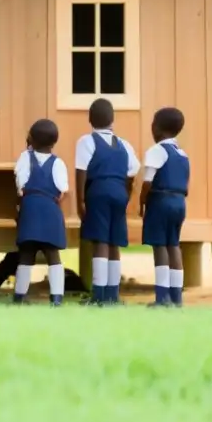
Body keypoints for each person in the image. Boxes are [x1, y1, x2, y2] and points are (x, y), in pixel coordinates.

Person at [75, 98, 140, 305]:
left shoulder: (87, 141)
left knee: (100, 241)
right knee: (114, 242)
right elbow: (133, 172)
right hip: (119, 192)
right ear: (113, 120)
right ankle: (113, 295)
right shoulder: (125, 145)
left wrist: (81, 201)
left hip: (98, 191)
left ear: (89, 119)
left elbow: (81, 172)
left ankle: (99, 294)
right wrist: (126, 194)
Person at [14, 119, 69, 306]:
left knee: (26, 253)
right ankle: (56, 298)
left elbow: (20, 186)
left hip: (30, 209)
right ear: (54, 142)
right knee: (53, 255)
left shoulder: (24, 158)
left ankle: (20, 296)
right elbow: (63, 191)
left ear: (31, 139)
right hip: (51, 210)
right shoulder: (59, 163)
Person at [140, 107, 190, 307]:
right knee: (174, 245)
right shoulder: (182, 153)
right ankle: (177, 297)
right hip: (179, 202)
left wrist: (142, 202)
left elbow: (147, 182)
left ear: (158, 128)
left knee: (159, 245)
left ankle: (162, 297)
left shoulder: (156, 151)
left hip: (160, 200)